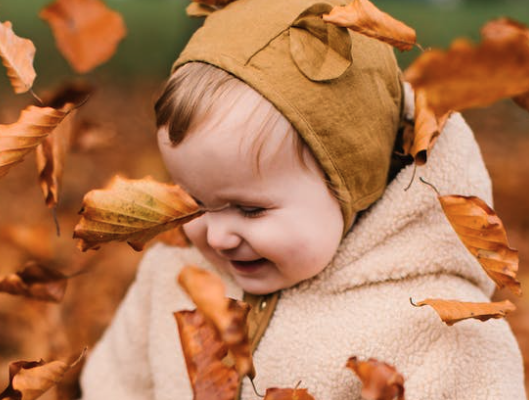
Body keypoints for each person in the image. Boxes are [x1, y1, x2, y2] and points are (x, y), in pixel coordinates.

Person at [79, 0, 526, 398]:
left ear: (353, 185)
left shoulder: (436, 332)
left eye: (250, 209)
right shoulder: (173, 278)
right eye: (194, 199)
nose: (216, 235)